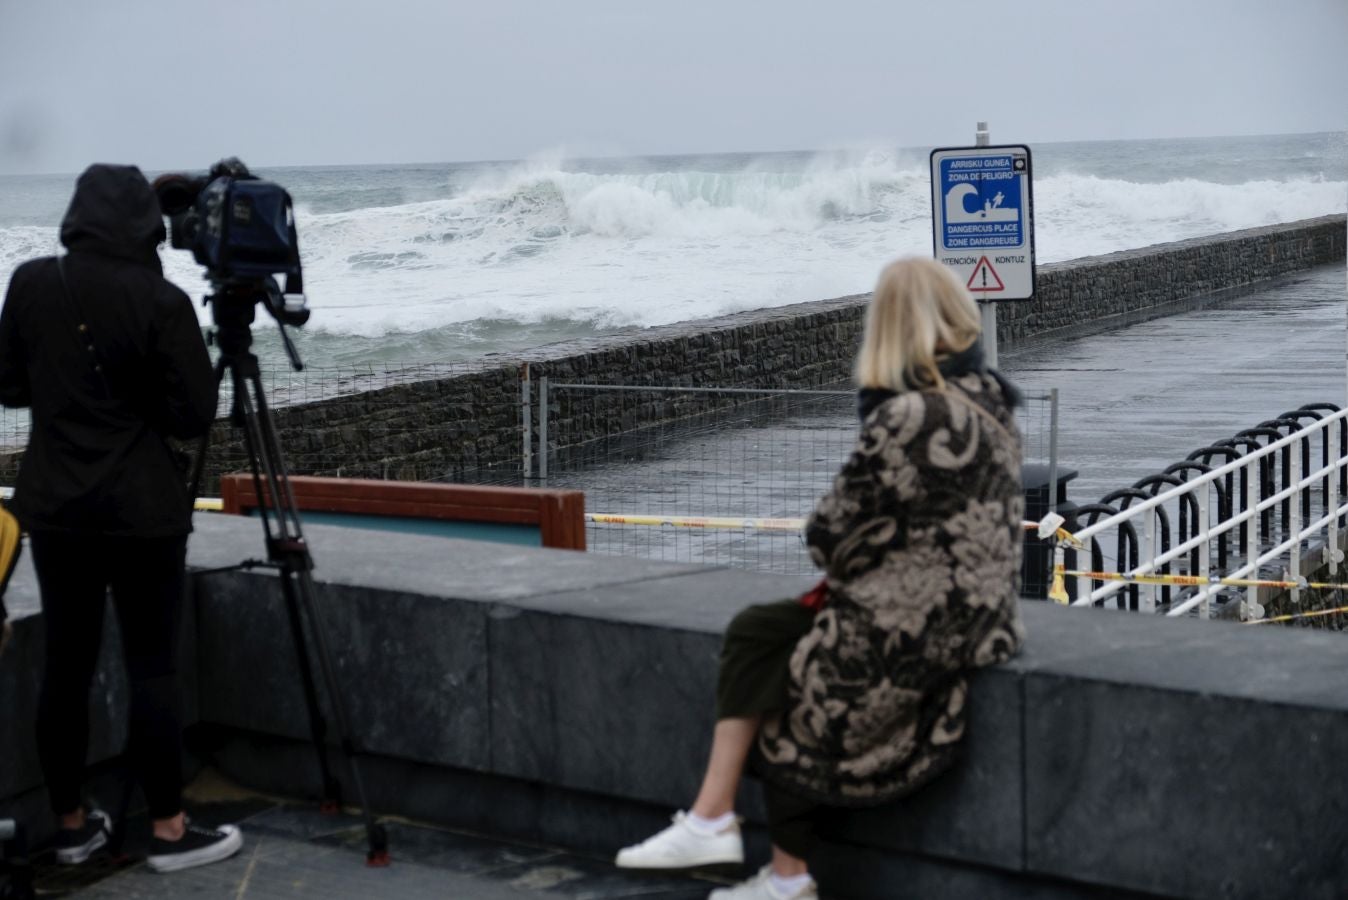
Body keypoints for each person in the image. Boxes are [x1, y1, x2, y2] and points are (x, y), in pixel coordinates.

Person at [614, 257, 1027, 900]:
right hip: (983, 618)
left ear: (889, 326)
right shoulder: (993, 401)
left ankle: (778, 870)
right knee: (758, 630)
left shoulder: (908, 416)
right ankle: (714, 818)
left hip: (918, 625)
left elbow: (830, 534)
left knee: (795, 673)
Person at [0, 164, 241, 873]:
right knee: (153, 668)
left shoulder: (32, 283)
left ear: (77, 214)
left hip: (59, 509)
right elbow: (194, 414)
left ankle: (72, 826)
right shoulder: (160, 300)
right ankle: (168, 828)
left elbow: (8, 385)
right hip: (142, 514)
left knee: (66, 669)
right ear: (144, 223)